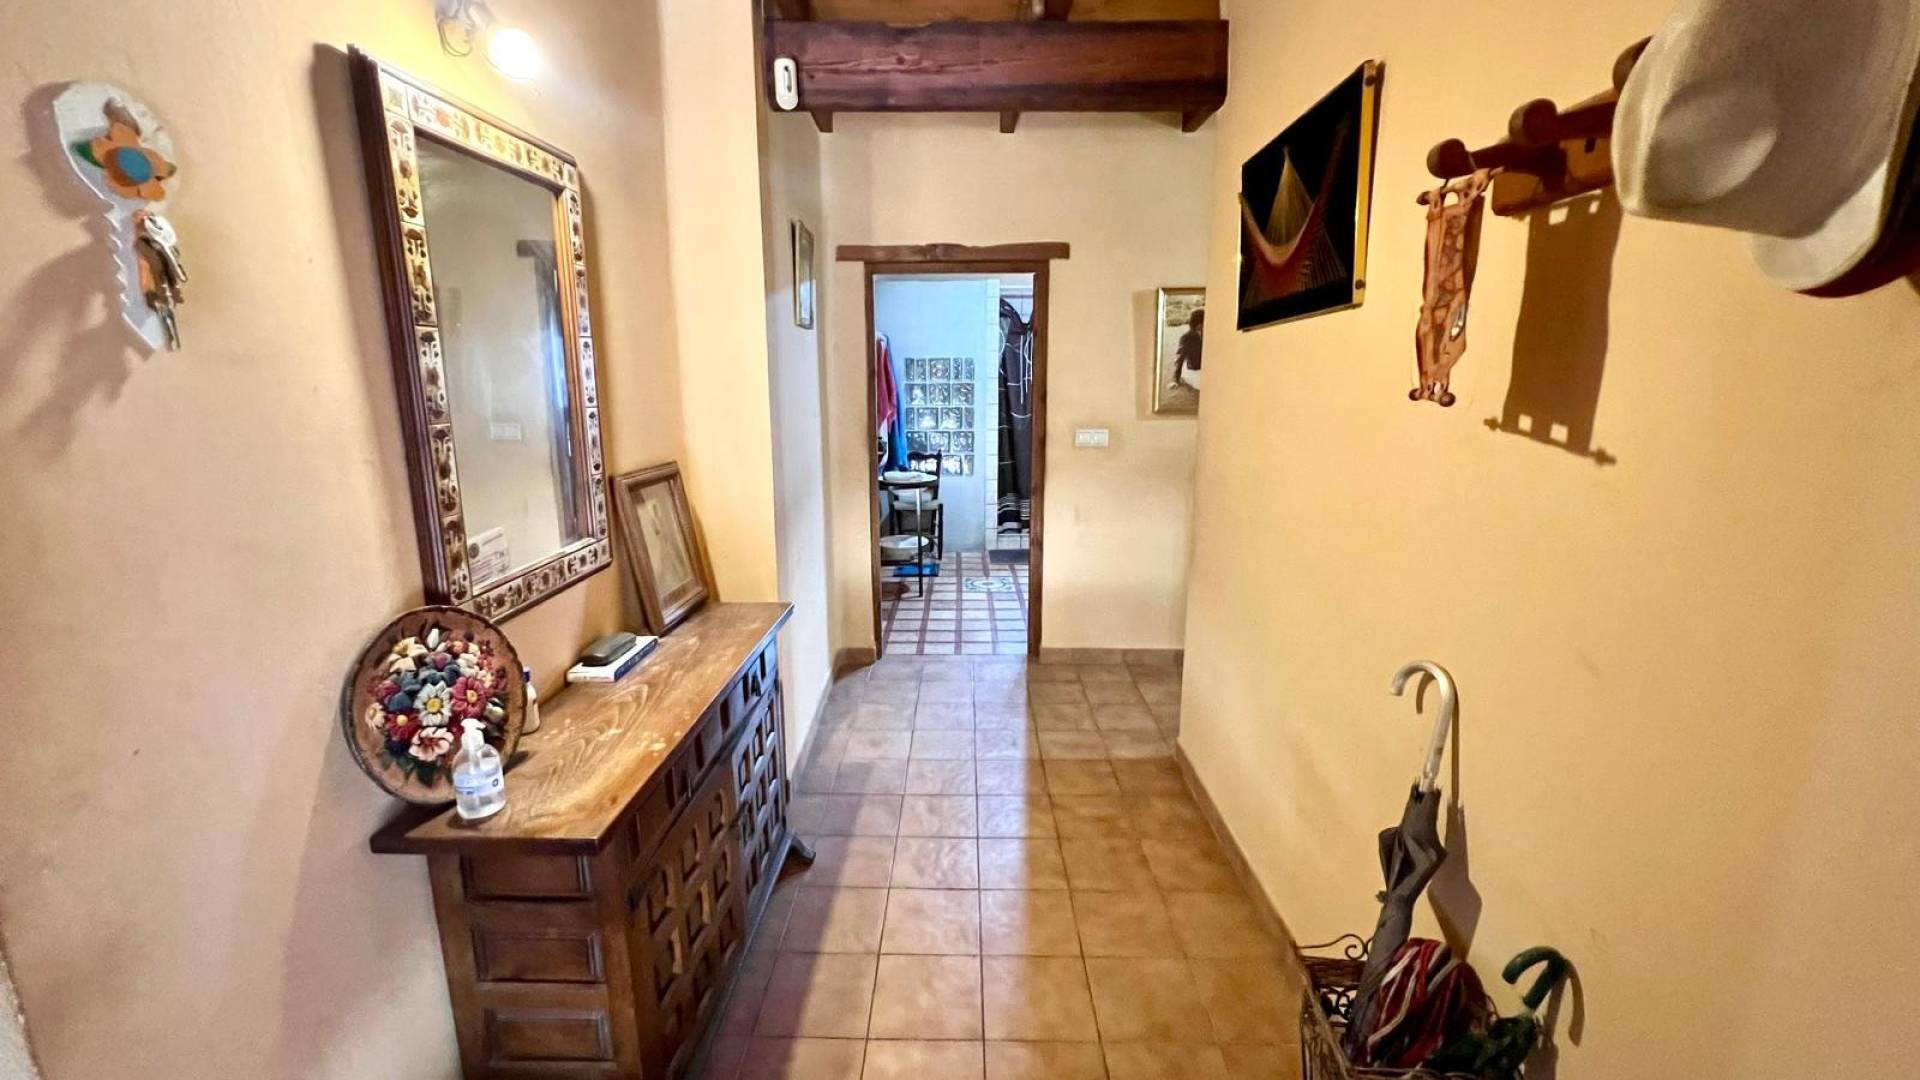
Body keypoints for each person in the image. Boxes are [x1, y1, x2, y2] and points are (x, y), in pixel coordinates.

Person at [1169, 307, 1204, 390]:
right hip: (1195, 370)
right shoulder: (1186, 337)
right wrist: (1175, 380)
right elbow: (1180, 358)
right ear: (1199, 324)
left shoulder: (1207, 333)